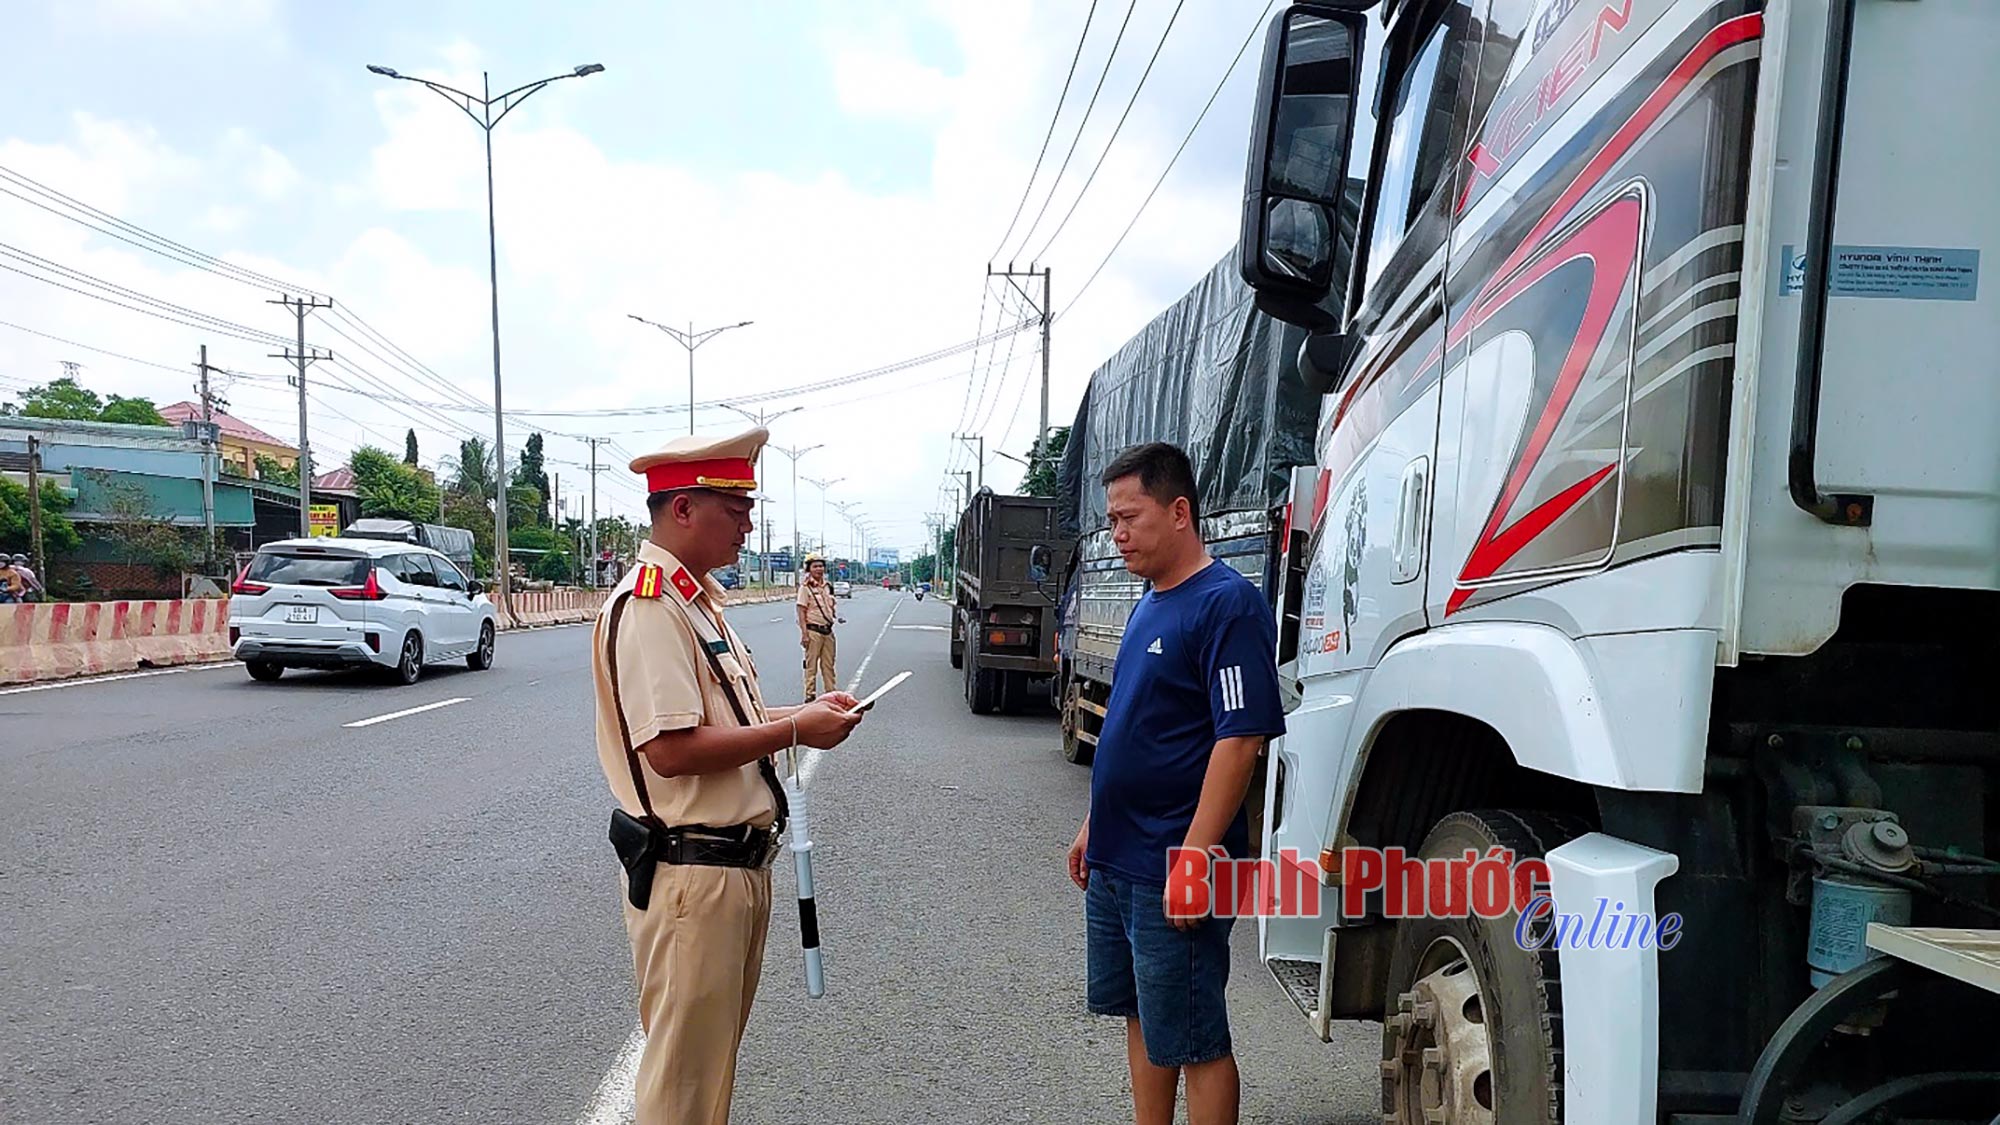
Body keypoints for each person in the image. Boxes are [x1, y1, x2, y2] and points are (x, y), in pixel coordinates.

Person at [592, 425, 865, 1125]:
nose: (749, 523)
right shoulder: (652, 604)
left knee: (703, 1083)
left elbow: (729, 714)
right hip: (693, 874)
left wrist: (801, 709)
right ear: (683, 510)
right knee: (683, 1095)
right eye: (733, 507)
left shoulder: (695, 600)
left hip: (725, 872)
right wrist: (800, 728)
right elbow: (673, 750)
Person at [1067, 442, 1286, 1125]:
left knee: (1195, 1038)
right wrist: (1092, 824)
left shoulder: (1227, 605)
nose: (1118, 534)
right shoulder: (1149, 603)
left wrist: (1196, 854)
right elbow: (1133, 724)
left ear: (1181, 510)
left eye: (1130, 517)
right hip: (1119, 854)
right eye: (1111, 520)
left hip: (1177, 859)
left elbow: (1240, 738)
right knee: (1143, 1015)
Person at [796, 552, 839, 700]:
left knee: (829, 666)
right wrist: (804, 634)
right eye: (815, 566)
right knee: (811, 666)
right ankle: (810, 696)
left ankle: (831, 695)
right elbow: (801, 611)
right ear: (809, 569)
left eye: (821, 566)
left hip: (828, 631)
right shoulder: (805, 588)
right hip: (813, 631)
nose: (819, 569)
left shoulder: (827, 587)